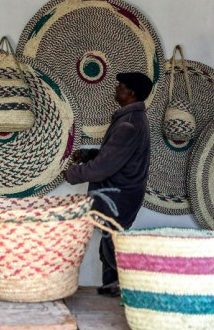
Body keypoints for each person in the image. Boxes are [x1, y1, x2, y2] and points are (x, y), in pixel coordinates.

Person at [63, 72, 152, 297]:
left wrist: (73, 174)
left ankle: (122, 297)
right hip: (120, 196)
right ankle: (111, 296)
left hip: (117, 198)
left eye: (120, 86)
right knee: (110, 248)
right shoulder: (130, 120)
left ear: (130, 93)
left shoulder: (129, 124)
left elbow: (104, 167)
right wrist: (88, 154)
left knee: (113, 251)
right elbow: (117, 156)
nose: (116, 89)